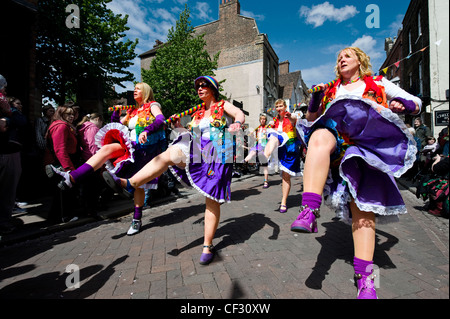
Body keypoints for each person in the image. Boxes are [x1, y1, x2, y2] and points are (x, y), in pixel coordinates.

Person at [293, 47, 422, 299]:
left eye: (348, 55)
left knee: (363, 217)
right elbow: (310, 120)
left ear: (360, 61)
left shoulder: (377, 82)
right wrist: (315, 103)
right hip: (336, 148)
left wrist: (404, 104)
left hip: (367, 154)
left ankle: (366, 280)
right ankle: (309, 210)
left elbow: (416, 104)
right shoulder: (332, 89)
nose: (342, 59)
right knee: (318, 135)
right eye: (339, 57)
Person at [112, 76, 245, 265]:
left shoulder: (222, 105)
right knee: (170, 153)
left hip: (217, 153)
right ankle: (131, 183)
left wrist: (237, 123)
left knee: (212, 200)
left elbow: (239, 113)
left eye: (203, 85)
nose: (199, 88)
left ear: (213, 89)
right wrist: (180, 128)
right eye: (197, 86)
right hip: (198, 148)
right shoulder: (197, 113)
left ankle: (207, 245)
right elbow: (194, 134)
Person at [46, 83, 166, 234]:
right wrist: (116, 114)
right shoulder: (133, 111)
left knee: (139, 186)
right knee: (106, 149)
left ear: (146, 91)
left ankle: (136, 218)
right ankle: (71, 178)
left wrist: (147, 130)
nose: (135, 90)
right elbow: (117, 126)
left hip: (145, 151)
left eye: (138, 88)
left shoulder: (152, 105)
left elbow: (161, 119)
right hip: (131, 147)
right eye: (134, 88)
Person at [263, 99, 302, 213]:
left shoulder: (290, 116)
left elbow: (295, 119)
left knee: (286, 175)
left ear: (285, 107)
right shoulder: (274, 121)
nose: (279, 108)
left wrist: (290, 116)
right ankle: (263, 157)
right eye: (277, 106)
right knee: (283, 176)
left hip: (290, 150)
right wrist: (269, 127)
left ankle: (284, 201)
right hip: (279, 150)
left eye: (281, 106)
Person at [0, 75, 25, 234]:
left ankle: (4, 222)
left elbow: (22, 122)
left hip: (9, 151)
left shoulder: (9, 107)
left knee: (7, 190)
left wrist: (8, 115)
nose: (4, 90)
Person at [244, 113, 271, 188]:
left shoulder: (267, 127)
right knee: (252, 151)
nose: (262, 120)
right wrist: (252, 137)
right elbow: (256, 139)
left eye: (264, 119)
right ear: (259, 120)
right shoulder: (258, 129)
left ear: (265, 120)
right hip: (258, 146)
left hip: (265, 147)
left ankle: (266, 181)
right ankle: (244, 161)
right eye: (261, 119)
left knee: (265, 165)